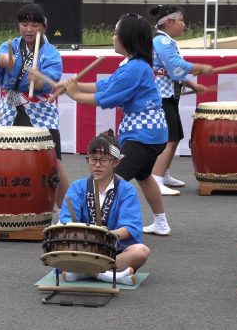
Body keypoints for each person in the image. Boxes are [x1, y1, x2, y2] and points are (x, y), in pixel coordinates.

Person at [58, 13, 172, 236]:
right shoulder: (134, 65)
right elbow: (106, 85)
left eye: (116, 33)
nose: (112, 37)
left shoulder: (134, 68)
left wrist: (75, 95)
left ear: (126, 38)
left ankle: (103, 226)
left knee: (112, 178)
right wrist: (77, 86)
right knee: (144, 175)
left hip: (143, 135)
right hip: (151, 133)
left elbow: (109, 98)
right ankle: (161, 222)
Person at [0, 3, 69, 208]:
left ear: (44, 27)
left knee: (53, 161)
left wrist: (40, 78)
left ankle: (69, 211)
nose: (28, 29)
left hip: (40, 110)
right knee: (7, 156)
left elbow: (52, 80)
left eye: (34, 25)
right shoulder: (11, 45)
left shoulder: (51, 53)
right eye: (24, 24)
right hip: (11, 107)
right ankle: (11, 204)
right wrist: (4, 60)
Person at [58, 130, 150, 285]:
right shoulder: (77, 187)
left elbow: (130, 227)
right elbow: (66, 221)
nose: (97, 165)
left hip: (114, 249)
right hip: (83, 248)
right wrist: (87, 236)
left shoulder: (126, 190)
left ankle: (83, 273)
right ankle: (109, 275)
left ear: (115, 162)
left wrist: (106, 235)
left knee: (141, 251)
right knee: (60, 245)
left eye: (104, 160)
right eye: (93, 160)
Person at [149, 4, 214, 196]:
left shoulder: (164, 41)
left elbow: (173, 72)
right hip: (161, 95)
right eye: (181, 20)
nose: (184, 25)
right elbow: (175, 65)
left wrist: (193, 85)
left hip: (167, 94)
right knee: (170, 137)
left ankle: (164, 173)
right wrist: (200, 67)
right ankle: (156, 179)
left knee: (175, 136)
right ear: (168, 22)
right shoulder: (163, 42)